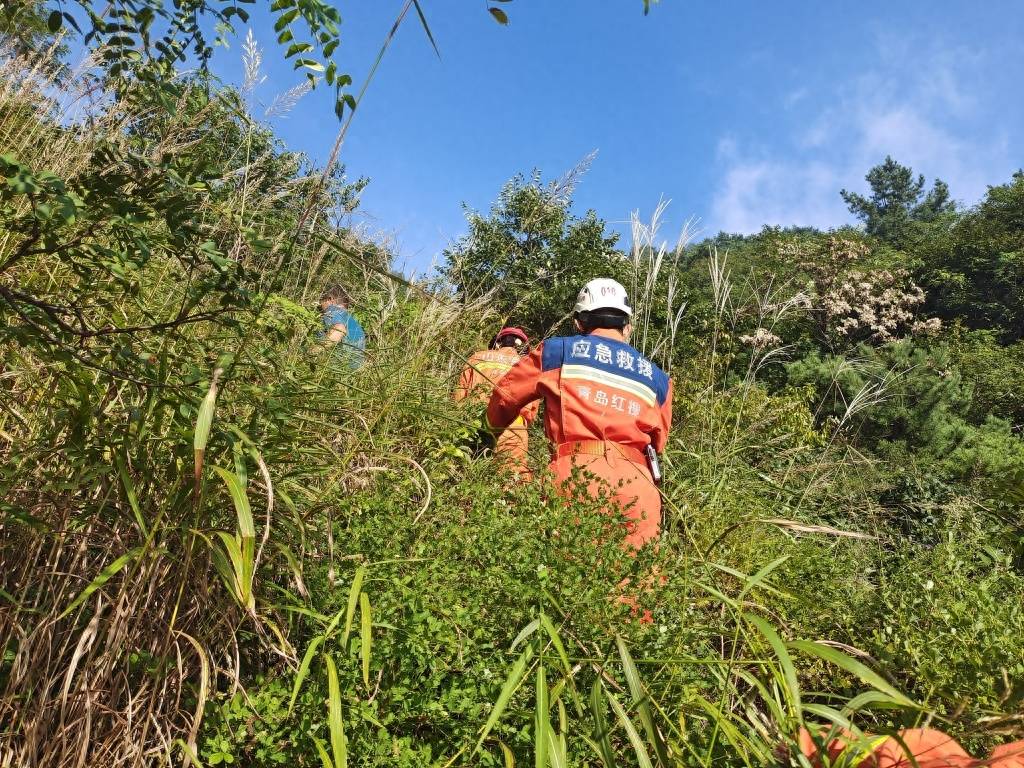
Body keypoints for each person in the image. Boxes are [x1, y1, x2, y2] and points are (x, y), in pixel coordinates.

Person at [486, 278, 672, 548]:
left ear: (578, 322)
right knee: (636, 584)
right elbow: (659, 442)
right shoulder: (658, 379)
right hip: (639, 485)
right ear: (627, 326)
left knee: (565, 581)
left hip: (576, 478)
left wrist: (486, 434)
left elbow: (505, 398)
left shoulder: (556, 352)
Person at [454, 327, 538, 477]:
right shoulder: (528, 365)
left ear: (497, 343)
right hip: (513, 430)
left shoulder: (477, 357)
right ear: (522, 347)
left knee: (467, 479)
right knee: (510, 483)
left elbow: (459, 398)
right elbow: (532, 411)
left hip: (474, 428)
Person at [320, 284, 366, 368]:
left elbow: (339, 329)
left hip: (332, 372)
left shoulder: (332, 310)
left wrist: (313, 351)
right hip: (350, 376)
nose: (320, 305)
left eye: (321, 301)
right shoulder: (352, 321)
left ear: (330, 299)